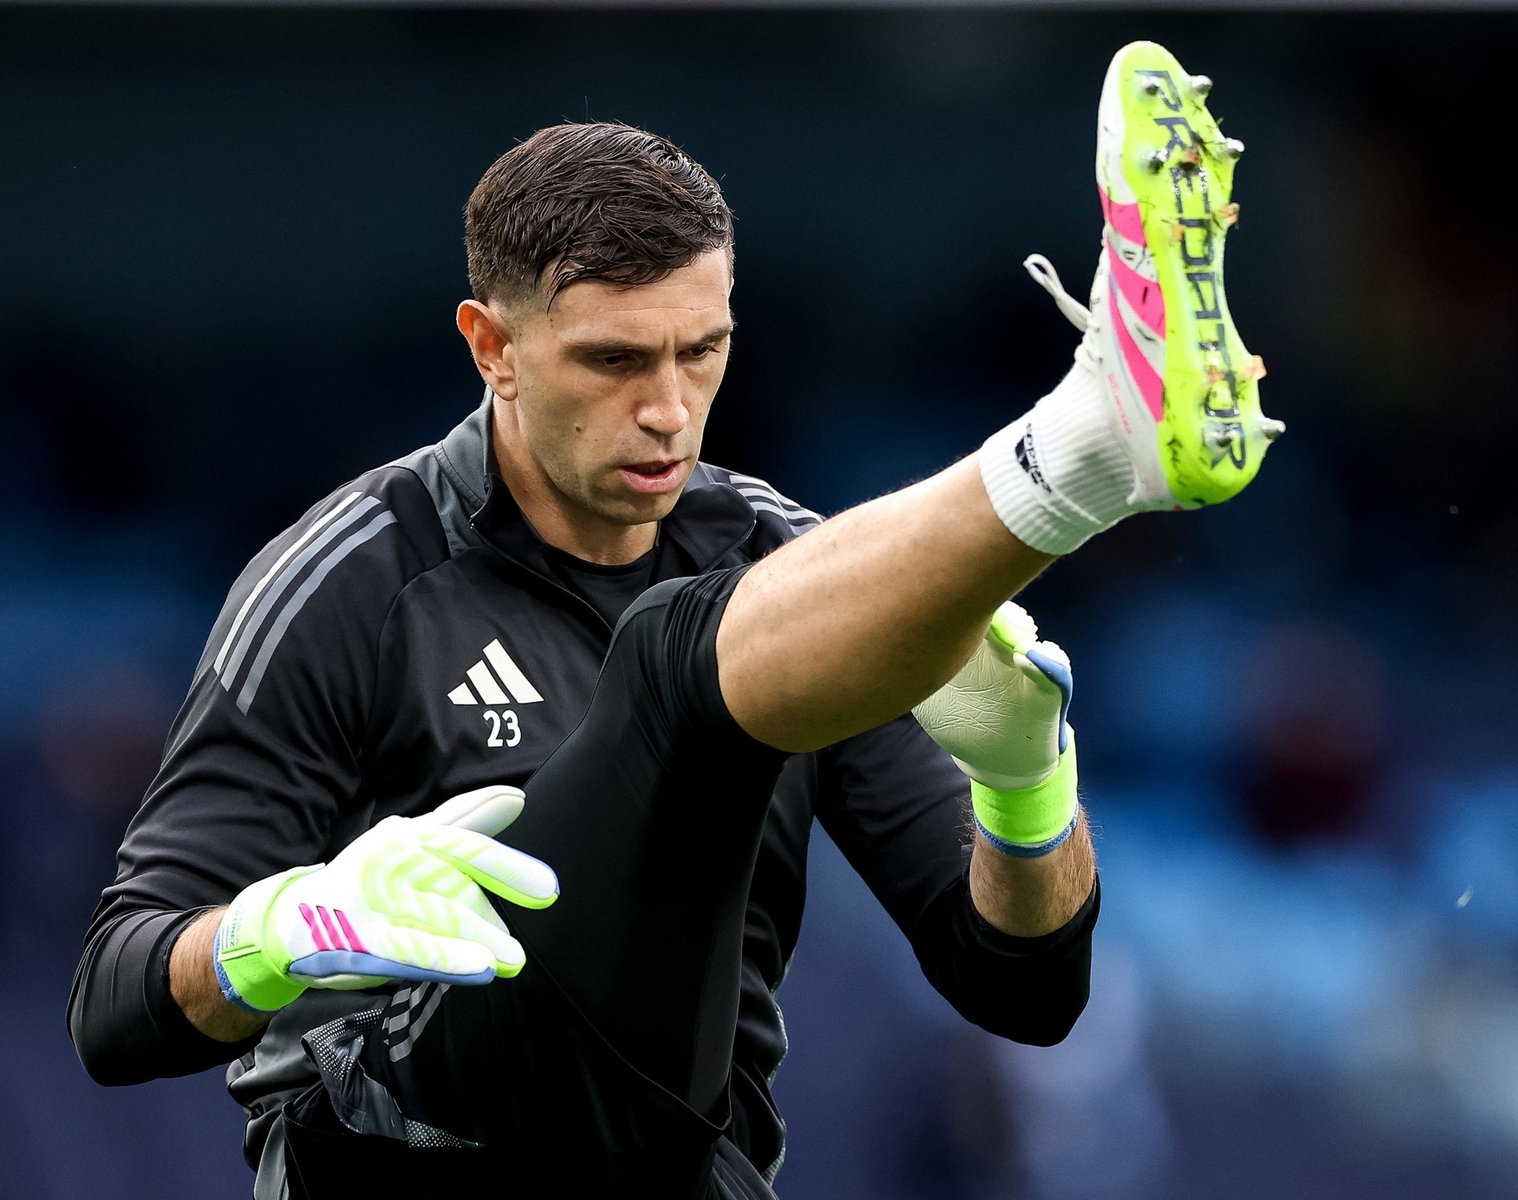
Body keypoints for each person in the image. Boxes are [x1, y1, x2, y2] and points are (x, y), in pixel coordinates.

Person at [69, 39, 1279, 1199]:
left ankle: (1091, 440)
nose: (668, 411)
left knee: (703, 638)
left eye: (703, 353)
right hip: (402, 1158)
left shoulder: (792, 579)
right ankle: (1084, 444)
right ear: (489, 346)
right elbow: (114, 1005)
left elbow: (1025, 989)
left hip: (683, 1169)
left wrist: (1024, 794)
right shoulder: (350, 583)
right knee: (673, 658)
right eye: (612, 362)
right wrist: (285, 929)